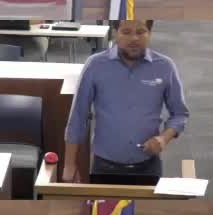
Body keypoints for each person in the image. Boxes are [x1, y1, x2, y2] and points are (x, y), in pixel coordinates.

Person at [63, 19, 189, 182]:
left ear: (150, 33)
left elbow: (180, 114)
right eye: (126, 32)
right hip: (104, 167)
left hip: (148, 165)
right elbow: (78, 117)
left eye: (140, 32)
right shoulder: (96, 65)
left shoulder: (165, 67)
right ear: (115, 33)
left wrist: (164, 138)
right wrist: (69, 165)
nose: (134, 38)